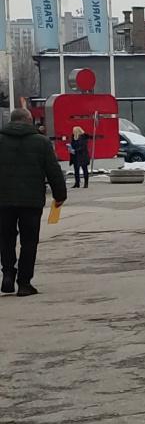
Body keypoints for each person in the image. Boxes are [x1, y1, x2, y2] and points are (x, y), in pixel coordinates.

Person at [0, 108, 68, 296]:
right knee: (29, 242)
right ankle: (24, 283)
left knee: (5, 238)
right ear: (29, 121)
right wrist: (60, 194)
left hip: (3, 201)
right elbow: (52, 170)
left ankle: (7, 273)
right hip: (31, 201)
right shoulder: (41, 142)